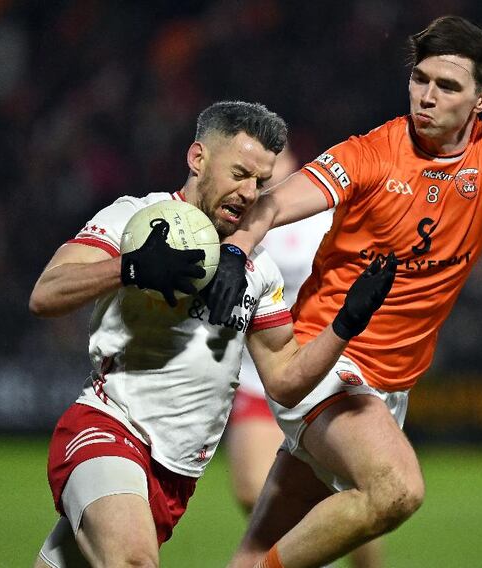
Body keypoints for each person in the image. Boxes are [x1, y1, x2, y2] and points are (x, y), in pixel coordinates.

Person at [205, 16, 482, 568]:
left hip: (388, 384)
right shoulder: (370, 153)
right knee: (396, 489)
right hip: (325, 360)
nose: (426, 97)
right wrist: (236, 251)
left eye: (447, 86)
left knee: (255, 548)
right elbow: (276, 204)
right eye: (420, 79)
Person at [28, 100, 396, 568]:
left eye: (260, 182)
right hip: (108, 429)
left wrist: (345, 324)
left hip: (175, 475)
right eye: (239, 173)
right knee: (133, 561)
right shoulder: (139, 219)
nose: (249, 192)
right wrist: (131, 266)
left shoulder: (257, 266)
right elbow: (46, 293)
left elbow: (283, 377)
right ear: (198, 158)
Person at [225, 146, 384, 567]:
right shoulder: (237, 219)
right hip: (258, 372)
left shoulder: (322, 217)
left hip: (320, 369)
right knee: (251, 491)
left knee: (358, 492)